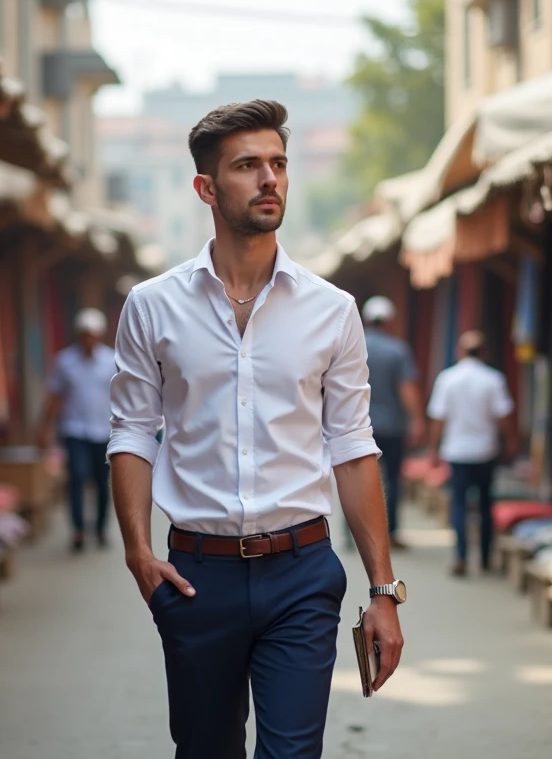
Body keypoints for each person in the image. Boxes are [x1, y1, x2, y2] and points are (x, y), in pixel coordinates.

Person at [108, 100, 405, 759]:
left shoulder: (333, 311)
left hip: (301, 573)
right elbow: (132, 430)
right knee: (206, 750)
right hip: (195, 576)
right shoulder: (152, 306)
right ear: (207, 188)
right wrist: (138, 550)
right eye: (247, 166)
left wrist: (383, 592)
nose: (269, 178)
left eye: (278, 163)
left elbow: (354, 447)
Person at [426, 330, 517, 576]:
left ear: (460, 351)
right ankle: (486, 557)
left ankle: (461, 556)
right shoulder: (493, 379)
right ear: (485, 352)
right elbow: (504, 415)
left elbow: (437, 418)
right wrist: (511, 440)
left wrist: (433, 449)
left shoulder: (447, 378)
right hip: (485, 450)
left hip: (456, 451)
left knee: (459, 505)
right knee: (486, 504)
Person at [37, 307, 116, 552]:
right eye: (84, 334)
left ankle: (101, 529)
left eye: (92, 334)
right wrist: (44, 427)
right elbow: (54, 396)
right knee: (77, 479)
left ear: (100, 335)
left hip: (104, 431)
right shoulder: (65, 361)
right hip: (75, 430)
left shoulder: (112, 360)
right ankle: (79, 530)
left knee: (102, 483)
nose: (88, 339)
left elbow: (122, 397)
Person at [361, 295, 425, 550]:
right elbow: (407, 388)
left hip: (359, 425)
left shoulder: (354, 346)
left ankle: (355, 532)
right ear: (389, 321)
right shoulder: (397, 350)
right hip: (392, 427)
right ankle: (390, 532)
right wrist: (417, 420)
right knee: (393, 481)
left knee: (359, 478)